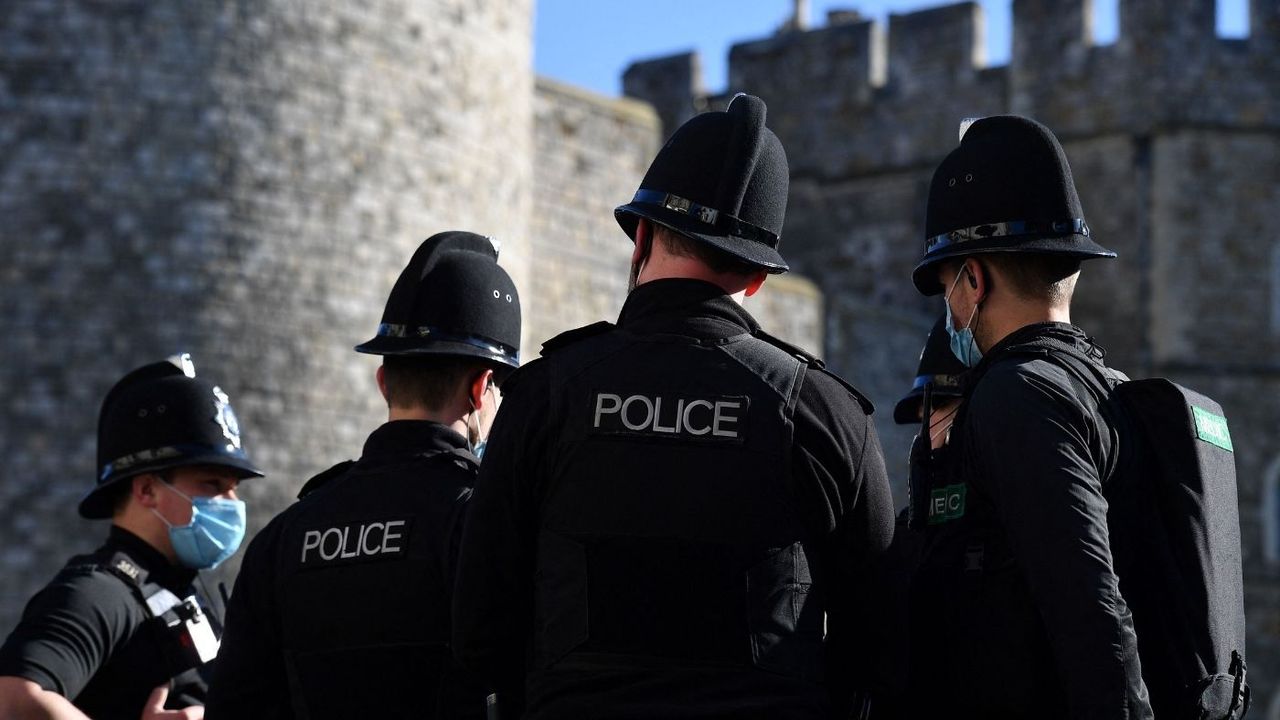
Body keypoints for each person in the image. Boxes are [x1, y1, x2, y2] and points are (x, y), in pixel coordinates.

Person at [452, 94, 895, 720]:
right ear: (758, 277)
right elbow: (875, 645)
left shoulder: (546, 395)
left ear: (642, 237)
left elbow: (480, 632)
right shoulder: (826, 413)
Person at [205, 231, 520, 720]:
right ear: (482, 389)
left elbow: (235, 706)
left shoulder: (286, 535)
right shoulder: (484, 519)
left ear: (383, 381)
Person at [904, 115, 1152, 718]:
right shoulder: (1109, 389)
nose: (950, 310)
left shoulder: (1017, 394)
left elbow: (1090, 612)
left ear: (975, 279)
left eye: (946, 287)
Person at [0, 355, 264, 720]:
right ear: (146, 491)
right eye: (212, 484)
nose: (232, 503)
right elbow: (13, 699)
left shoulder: (179, 590)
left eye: (234, 488)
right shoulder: (96, 593)